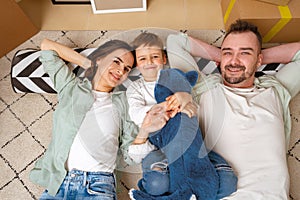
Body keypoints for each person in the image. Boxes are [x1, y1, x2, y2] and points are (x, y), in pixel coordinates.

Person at [166, 19, 300, 199]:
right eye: (228, 52)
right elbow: (175, 41)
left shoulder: (275, 90)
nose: (234, 61)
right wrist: (222, 57)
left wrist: (258, 58)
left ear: (259, 58)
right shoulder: (202, 88)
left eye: (244, 52)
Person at [29, 38, 169, 199]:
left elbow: (130, 155)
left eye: (126, 69)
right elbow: (47, 47)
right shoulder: (71, 88)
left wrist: (144, 130)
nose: (120, 71)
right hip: (58, 184)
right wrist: (92, 65)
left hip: (98, 186)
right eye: (116, 62)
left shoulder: (126, 101)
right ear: (100, 58)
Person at [126, 32, 237, 199]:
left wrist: (186, 99)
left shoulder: (175, 77)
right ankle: (189, 190)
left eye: (154, 56)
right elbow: (137, 114)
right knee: (156, 184)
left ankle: (190, 189)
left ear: (164, 59)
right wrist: (168, 106)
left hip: (189, 144)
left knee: (228, 183)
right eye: (142, 59)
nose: (149, 62)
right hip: (160, 147)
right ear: (137, 64)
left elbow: (194, 111)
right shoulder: (135, 89)